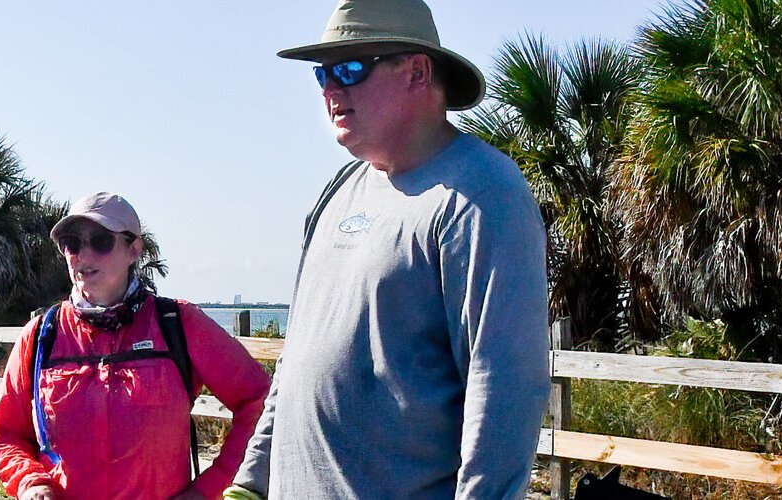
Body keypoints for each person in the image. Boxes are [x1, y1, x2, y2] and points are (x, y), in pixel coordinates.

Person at [226, 0, 551, 498]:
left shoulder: (483, 195)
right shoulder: (339, 192)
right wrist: (250, 484)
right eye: (322, 75)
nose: (331, 90)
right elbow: (296, 364)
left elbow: (504, 395)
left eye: (350, 69)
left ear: (417, 72)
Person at [0, 192, 270, 500]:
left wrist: (209, 488)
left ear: (134, 249)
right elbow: (5, 434)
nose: (83, 254)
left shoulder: (178, 323)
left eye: (101, 240)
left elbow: (260, 401)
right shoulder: (41, 336)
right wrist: (31, 482)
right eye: (72, 243)